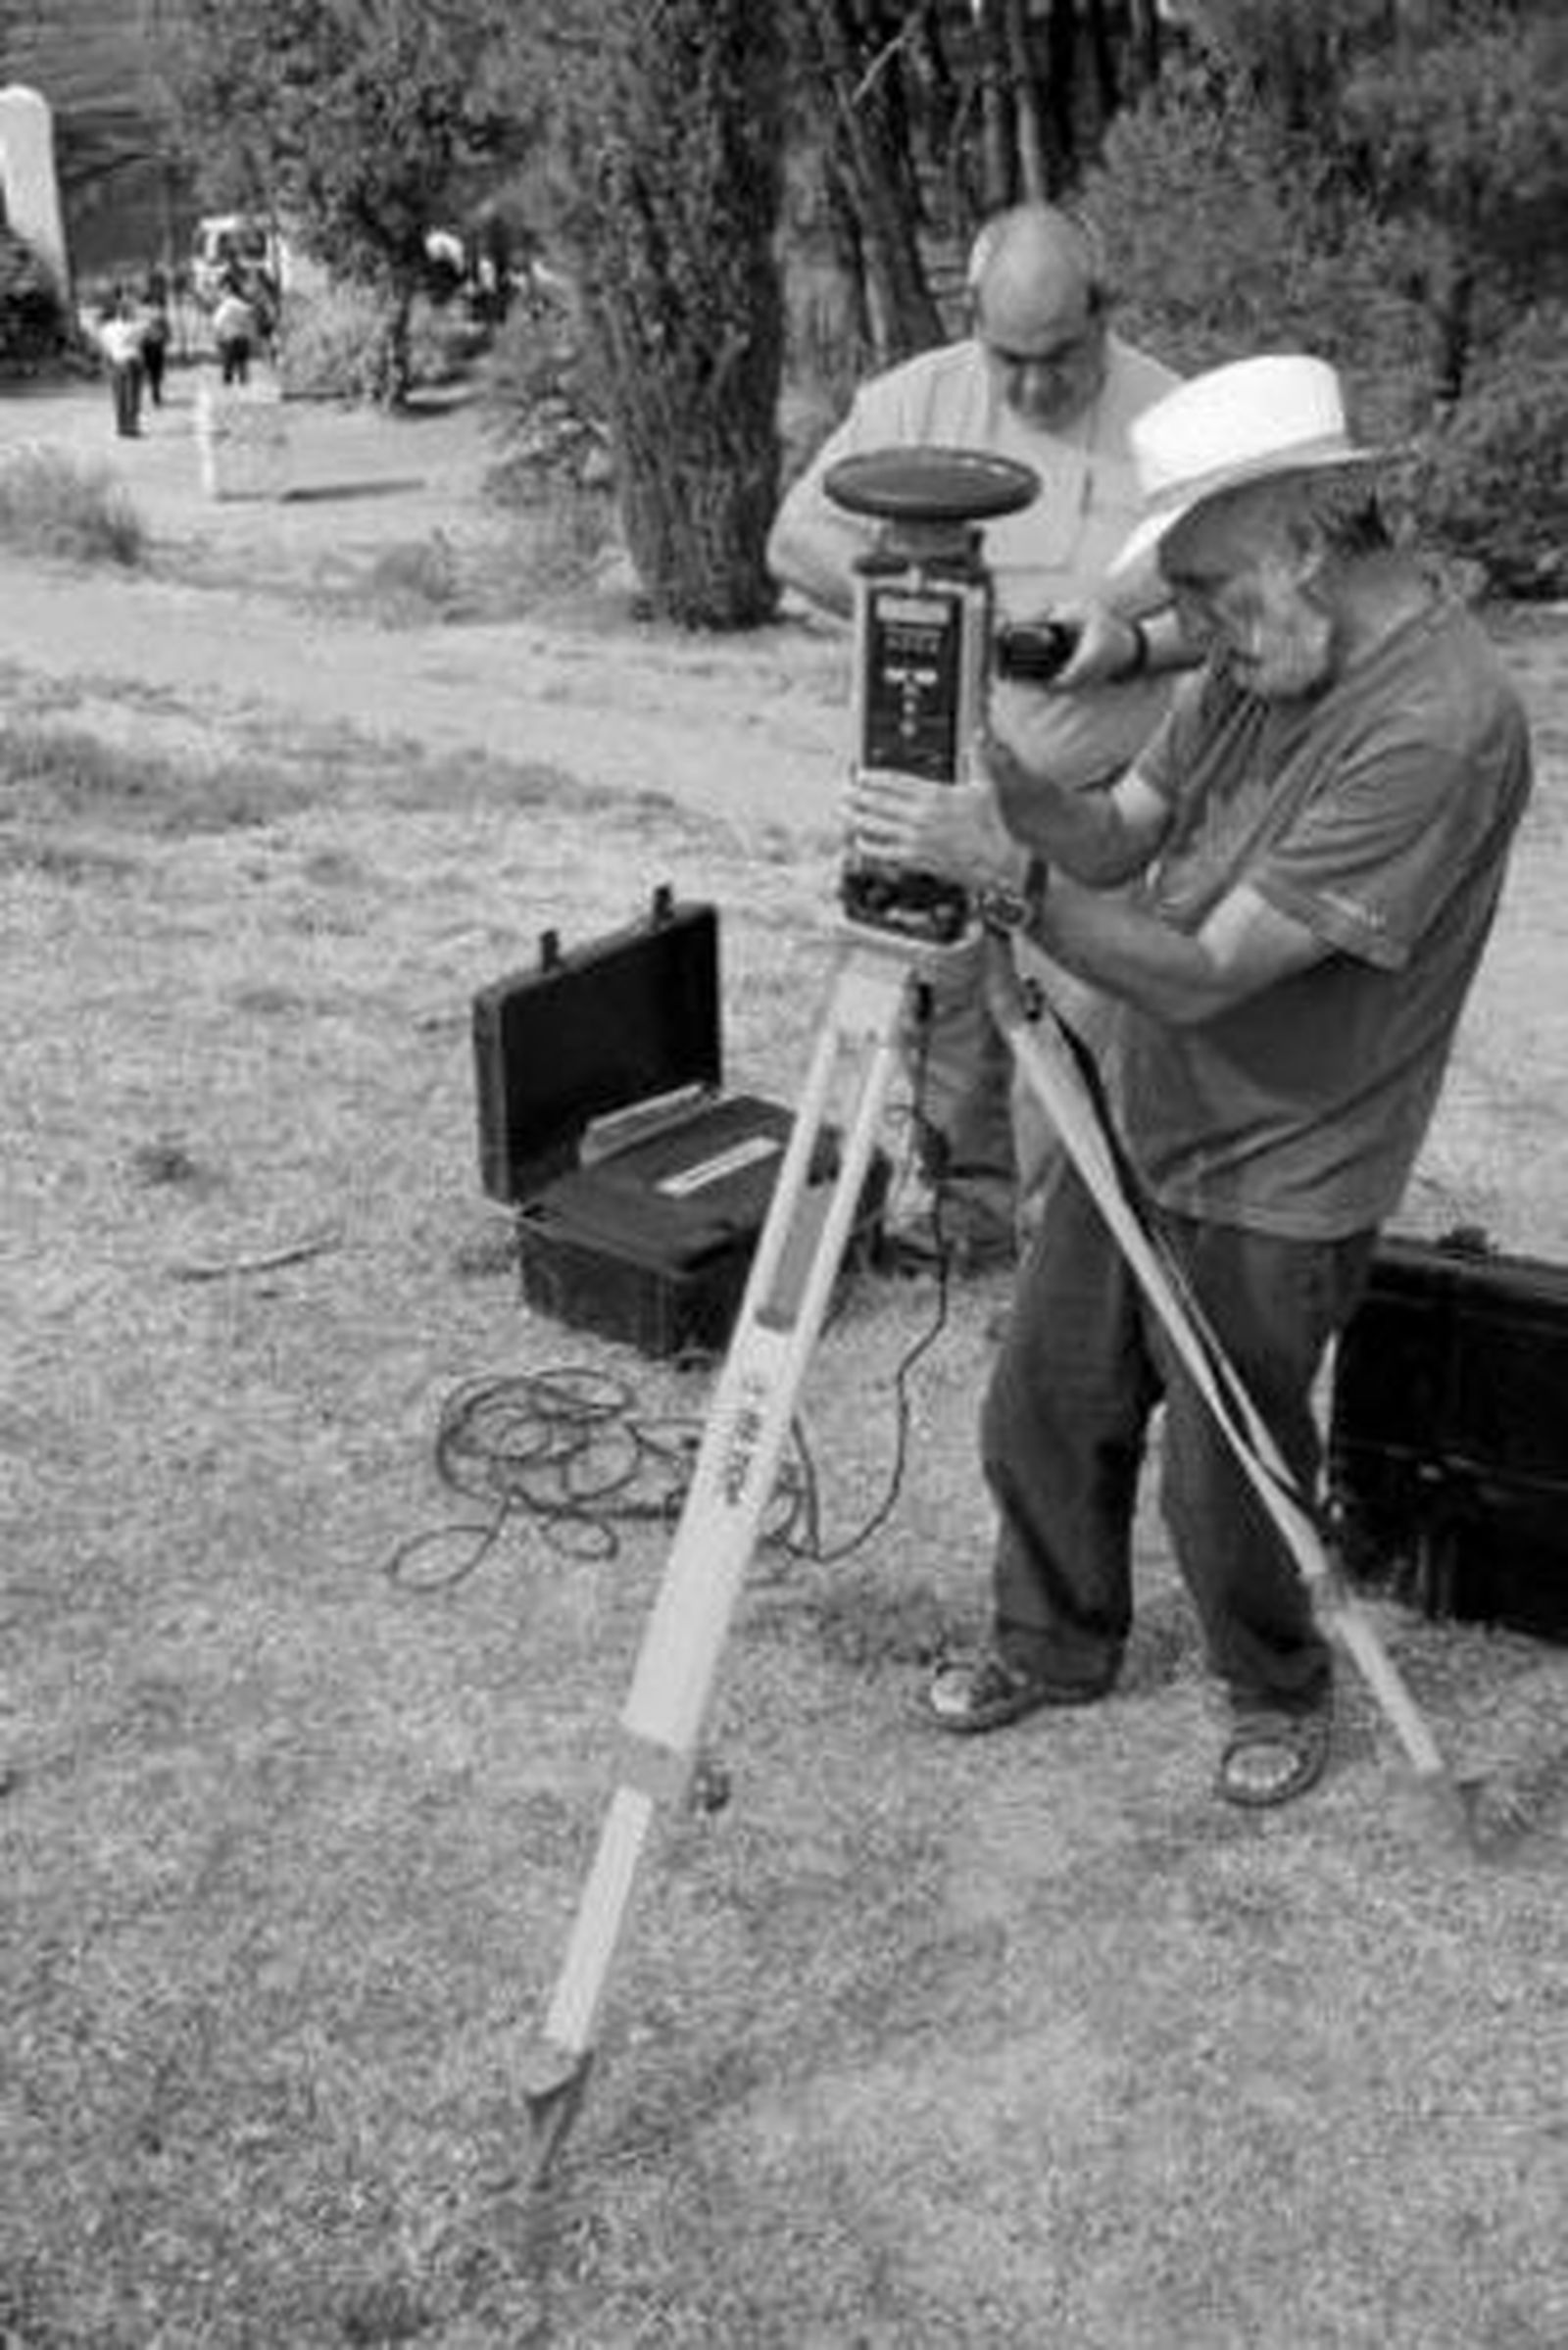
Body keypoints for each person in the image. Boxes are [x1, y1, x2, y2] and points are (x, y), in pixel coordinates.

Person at [847, 354, 1533, 1807]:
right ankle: (1051, 1642)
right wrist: (992, 786)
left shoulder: (1440, 723)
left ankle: (1274, 1682)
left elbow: (1213, 965)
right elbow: (1116, 834)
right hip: (1146, 1109)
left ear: (1303, 537)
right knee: (1045, 1396)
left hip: (1293, 1161)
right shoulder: (1256, 652)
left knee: (1230, 1469)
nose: (1193, 624)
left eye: (1209, 585)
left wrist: (1006, 876)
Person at [769, 203, 1193, 1272]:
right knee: (945, 1014)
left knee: (1083, 1041)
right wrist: (925, 609)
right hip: (927, 792)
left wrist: (1127, 645)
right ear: (973, 322)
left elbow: (1235, 602)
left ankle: (1069, 1264)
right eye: (1009, 359)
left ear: (1104, 311)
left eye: (1061, 356)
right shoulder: (917, 397)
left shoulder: (1172, 420)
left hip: (1093, 812)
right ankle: (966, 1222)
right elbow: (796, 536)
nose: (1035, 388)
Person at [96, 294, 145, 439]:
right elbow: (139, 343)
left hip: (116, 362)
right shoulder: (135, 327)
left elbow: (104, 347)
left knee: (119, 396)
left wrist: (106, 362)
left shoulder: (107, 328)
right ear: (128, 312)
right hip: (132, 361)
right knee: (133, 395)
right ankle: (132, 425)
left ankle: (121, 426)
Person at [212, 277, 257, 387]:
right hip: (243, 339)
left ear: (227, 291)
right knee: (242, 367)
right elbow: (251, 318)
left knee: (228, 367)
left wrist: (217, 337)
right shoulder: (243, 305)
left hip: (231, 339)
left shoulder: (226, 304)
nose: (221, 293)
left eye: (223, 291)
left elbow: (217, 322)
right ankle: (244, 389)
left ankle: (228, 390)